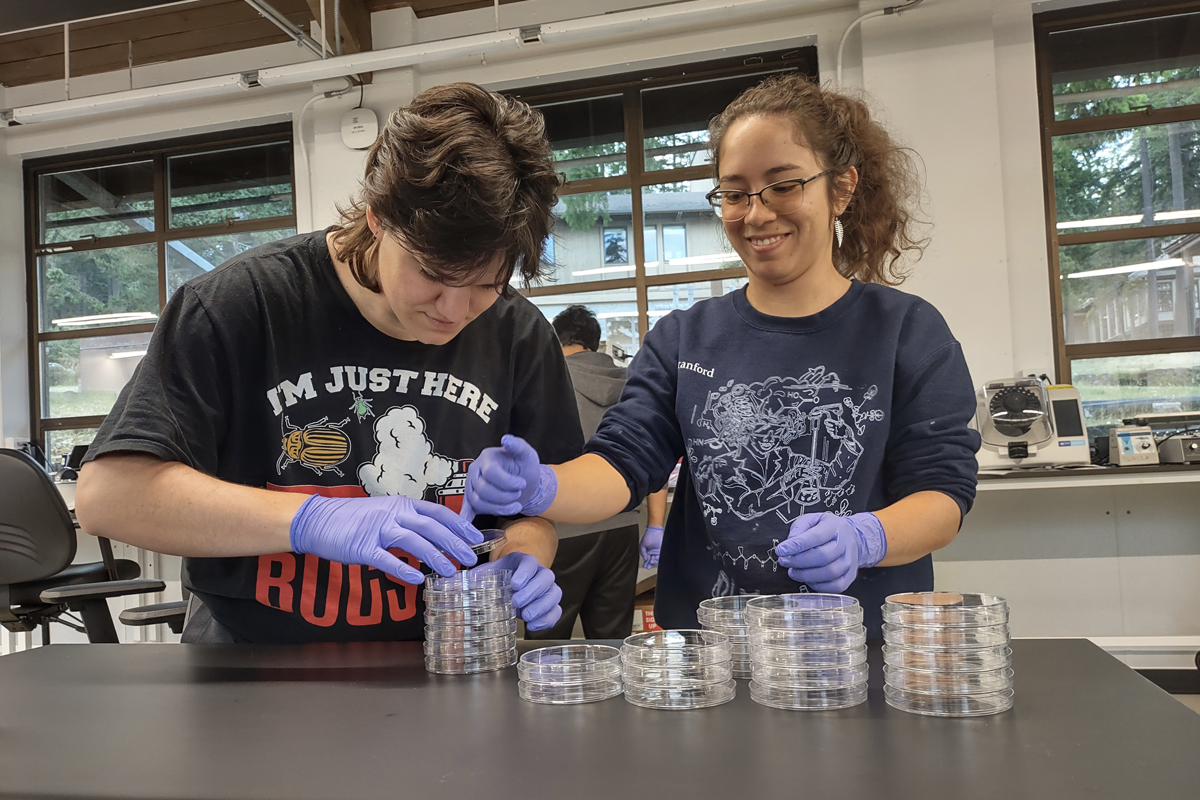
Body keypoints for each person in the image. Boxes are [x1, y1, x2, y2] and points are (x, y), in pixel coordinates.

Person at [461, 74, 981, 638]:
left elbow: (942, 494)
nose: (755, 214)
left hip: (856, 650)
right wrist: (544, 486)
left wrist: (867, 537)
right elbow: (624, 464)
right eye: (734, 193)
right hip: (709, 654)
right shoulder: (686, 338)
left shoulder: (906, 330)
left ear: (841, 188)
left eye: (782, 185)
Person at [75, 83, 583, 643]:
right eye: (435, 276)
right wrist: (309, 520)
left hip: (444, 653)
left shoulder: (518, 331)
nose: (456, 311)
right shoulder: (242, 305)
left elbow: (532, 512)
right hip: (251, 658)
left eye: (488, 284)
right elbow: (109, 496)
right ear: (378, 217)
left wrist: (524, 555)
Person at [524, 305, 658, 640]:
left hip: (565, 527)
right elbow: (654, 455)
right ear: (594, 343)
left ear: (557, 339)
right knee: (614, 637)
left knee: (547, 637)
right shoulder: (629, 383)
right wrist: (656, 525)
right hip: (624, 527)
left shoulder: (549, 379)